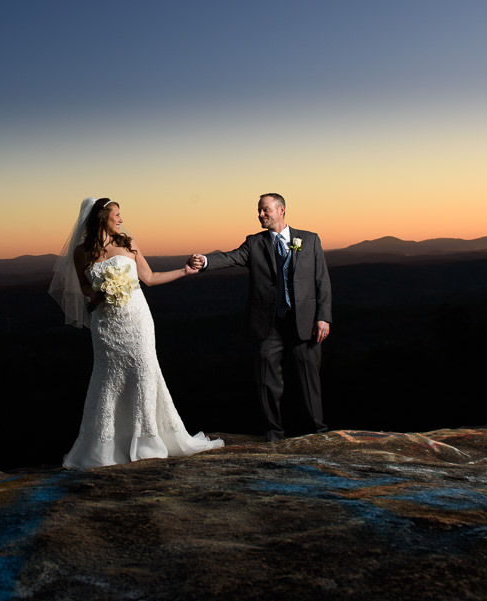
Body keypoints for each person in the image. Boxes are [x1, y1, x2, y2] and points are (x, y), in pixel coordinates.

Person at [49, 197, 224, 469]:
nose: (121, 219)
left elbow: (150, 278)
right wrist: (96, 294)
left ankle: (148, 442)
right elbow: (83, 286)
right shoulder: (81, 251)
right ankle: (104, 447)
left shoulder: (128, 243)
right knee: (108, 377)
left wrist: (185, 271)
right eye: (116, 215)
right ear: (101, 217)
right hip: (106, 324)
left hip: (137, 320)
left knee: (144, 371)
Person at [188, 193, 331, 442]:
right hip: (269, 325)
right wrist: (206, 260)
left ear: (281, 210)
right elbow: (232, 256)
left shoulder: (309, 239)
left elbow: (322, 281)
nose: (260, 215)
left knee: (309, 381)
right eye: (259, 211)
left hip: (305, 323)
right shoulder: (254, 243)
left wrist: (324, 317)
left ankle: (317, 434)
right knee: (266, 382)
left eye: (265, 210)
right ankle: (274, 435)